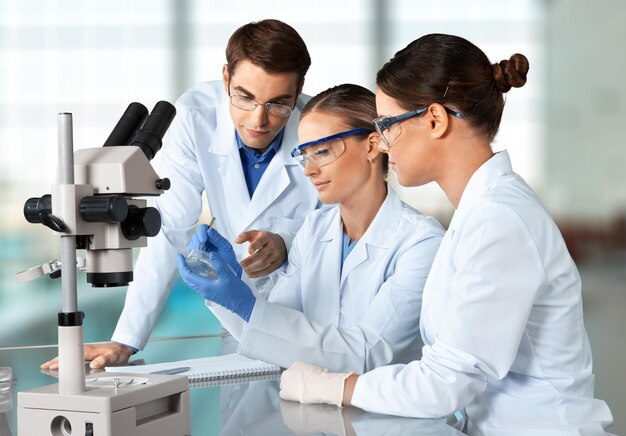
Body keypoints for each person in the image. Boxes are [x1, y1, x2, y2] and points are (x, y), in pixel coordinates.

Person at [279, 34, 614, 434]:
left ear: (435, 120)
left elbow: (445, 383)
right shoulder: (480, 212)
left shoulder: (500, 220)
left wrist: (333, 386)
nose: (382, 144)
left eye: (387, 125)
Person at [42, 19, 319, 370]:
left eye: (279, 104)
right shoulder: (195, 115)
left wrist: (288, 242)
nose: (258, 119)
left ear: (299, 91)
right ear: (225, 78)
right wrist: (126, 339)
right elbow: (168, 228)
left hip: (313, 311)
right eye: (244, 98)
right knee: (244, 420)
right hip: (238, 311)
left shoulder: (319, 126)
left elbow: (344, 218)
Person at [177, 84, 444, 372]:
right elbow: (276, 339)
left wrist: (245, 303)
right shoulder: (314, 230)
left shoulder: (421, 242)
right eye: (305, 154)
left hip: (387, 413)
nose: (308, 170)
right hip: (311, 406)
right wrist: (232, 287)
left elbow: (368, 353)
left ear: (372, 145)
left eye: (323, 151)